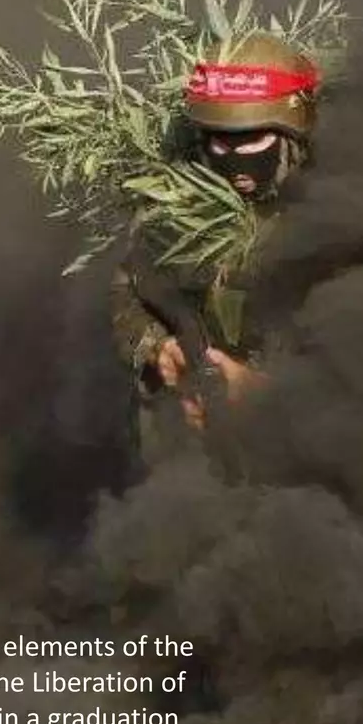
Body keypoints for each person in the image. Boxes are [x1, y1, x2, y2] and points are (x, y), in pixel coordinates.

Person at [108, 31, 321, 462]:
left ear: (293, 136)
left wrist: (268, 392)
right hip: (199, 451)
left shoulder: (341, 212)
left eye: (255, 141)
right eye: (222, 143)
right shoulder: (175, 207)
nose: (237, 160)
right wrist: (158, 348)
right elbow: (128, 288)